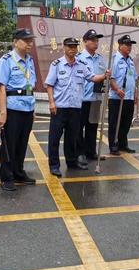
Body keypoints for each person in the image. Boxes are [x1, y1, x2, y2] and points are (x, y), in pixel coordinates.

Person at [45, 37, 108, 177]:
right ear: (64, 47)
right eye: (69, 46)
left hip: (75, 108)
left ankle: (71, 162)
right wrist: (51, 103)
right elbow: (49, 85)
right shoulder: (57, 64)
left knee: (71, 137)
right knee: (54, 138)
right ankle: (54, 165)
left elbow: (92, 78)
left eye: (74, 46)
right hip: (59, 107)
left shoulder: (81, 65)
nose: (72, 49)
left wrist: (104, 75)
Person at [0, 28, 37, 191]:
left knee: (22, 143)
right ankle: (6, 176)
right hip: (12, 108)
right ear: (15, 41)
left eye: (30, 41)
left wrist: (33, 109)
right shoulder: (6, 60)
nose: (29, 44)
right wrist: (3, 111)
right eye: (26, 41)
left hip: (27, 106)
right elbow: (1, 87)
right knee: (9, 144)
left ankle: (18, 172)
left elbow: (30, 86)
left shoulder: (30, 60)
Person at [77, 29, 107, 162]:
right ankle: (80, 153)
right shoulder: (79, 59)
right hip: (83, 99)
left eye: (97, 40)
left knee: (93, 126)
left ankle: (91, 151)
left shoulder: (100, 58)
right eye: (93, 40)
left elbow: (103, 75)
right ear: (85, 42)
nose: (96, 43)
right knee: (79, 128)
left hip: (96, 98)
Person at [108, 34, 138, 155]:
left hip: (129, 97)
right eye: (127, 45)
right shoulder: (115, 60)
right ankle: (113, 145)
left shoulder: (130, 61)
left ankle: (123, 144)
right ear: (120, 46)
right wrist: (117, 90)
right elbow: (110, 78)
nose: (129, 47)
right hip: (117, 98)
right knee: (114, 123)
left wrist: (135, 94)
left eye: (130, 45)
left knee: (126, 122)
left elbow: (133, 78)